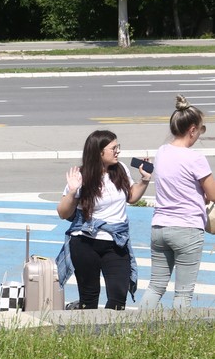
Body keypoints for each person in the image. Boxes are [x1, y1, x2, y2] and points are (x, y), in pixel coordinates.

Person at [55, 130, 150, 310]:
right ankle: (87, 335)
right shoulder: (81, 176)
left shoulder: (120, 169)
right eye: (113, 148)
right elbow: (63, 213)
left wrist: (144, 180)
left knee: (118, 299)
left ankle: (110, 337)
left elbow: (131, 197)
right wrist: (73, 192)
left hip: (117, 242)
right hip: (85, 242)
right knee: (89, 299)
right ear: (99, 152)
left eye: (117, 147)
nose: (117, 151)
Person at [140, 95, 215, 310]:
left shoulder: (162, 152)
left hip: (160, 227)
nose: (199, 135)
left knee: (155, 286)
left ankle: (137, 329)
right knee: (183, 294)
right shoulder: (195, 158)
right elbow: (213, 194)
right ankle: (179, 336)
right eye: (200, 130)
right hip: (187, 228)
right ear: (192, 129)